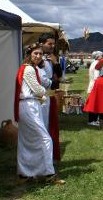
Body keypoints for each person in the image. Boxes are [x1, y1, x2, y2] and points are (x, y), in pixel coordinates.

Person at [14, 43, 65, 185]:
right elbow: (37, 89)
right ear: (29, 54)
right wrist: (53, 93)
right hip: (29, 106)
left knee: (27, 140)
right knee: (45, 139)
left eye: (40, 54)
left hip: (29, 104)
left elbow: (35, 91)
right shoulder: (29, 69)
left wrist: (43, 96)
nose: (38, 56)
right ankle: (48, 173)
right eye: (35, 53)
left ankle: (26, 173)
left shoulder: (29, 68)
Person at [38, 33, 62, 161]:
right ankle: (42, 155)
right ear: (42, 44)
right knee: (42, 126)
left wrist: (56, 62)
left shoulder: (51, 58)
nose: (52, 46)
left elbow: (59, 76)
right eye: (49, 44)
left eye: (53, 44)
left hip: (50, 97)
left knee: (49, 126)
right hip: (41, 98)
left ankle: (47, 155)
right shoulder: (37, 58)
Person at [83, 59, 103, 130]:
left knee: (101, 114)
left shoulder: (97, 80)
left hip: (100, 102)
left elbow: (95, 92)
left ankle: (101, 127)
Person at [87, 51, 103, 126]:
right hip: (96, 86)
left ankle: (94, 120)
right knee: (95, 104)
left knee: (93, 104)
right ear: (98, 56)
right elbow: (97, 77)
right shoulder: (98, 64)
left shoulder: (93, 63)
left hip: (92, 85)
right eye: (102, 56)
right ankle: (92, 120)